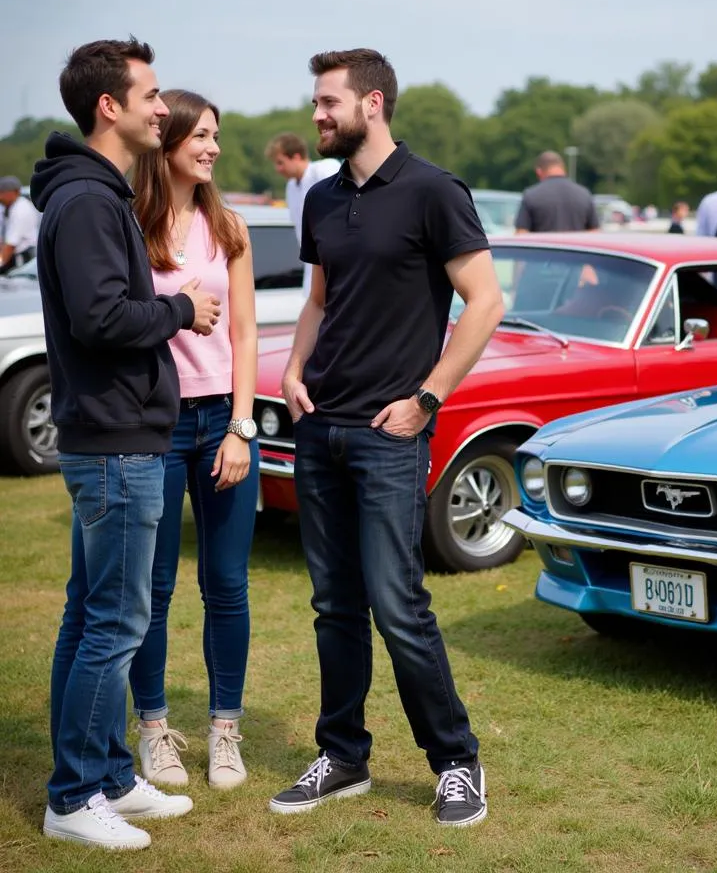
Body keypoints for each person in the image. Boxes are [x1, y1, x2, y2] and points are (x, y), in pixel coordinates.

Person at [270, 48, 504, 827]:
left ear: (372, 103)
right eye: (316, 102)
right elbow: (319, 299)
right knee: (334, 605)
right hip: (320, 428)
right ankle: (343, 756)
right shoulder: (323, 199)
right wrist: (294, 369)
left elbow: (484, 302)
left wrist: (427, 399)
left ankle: (456, 761)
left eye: (328, 101)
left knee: (398, 605)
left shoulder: (435, 191)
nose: (317, 114)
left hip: (388, 433)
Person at [31, 38, 220, 850]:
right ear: (109, 106)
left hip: (118, 436)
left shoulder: (96, 195)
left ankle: (108, 775)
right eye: (147, 94)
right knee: (116, 620)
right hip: (115, 443)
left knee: (95, 613)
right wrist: (183, 310)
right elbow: (101, 319)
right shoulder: (86, 202)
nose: (159, 107)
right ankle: (74, 797)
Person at [129, 90, 259, 792]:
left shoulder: (227, 224)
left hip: (222, 422)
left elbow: (244, 333)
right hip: (154, 423)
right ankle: (154, 731)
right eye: (200, 136)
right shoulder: (129, 222)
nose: (211, 147)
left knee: (228, 585)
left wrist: (241, 426)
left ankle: (225, 732)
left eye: (216, 136)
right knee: (152, 588)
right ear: (168, 141)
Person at [265, 133, 341, 295]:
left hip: (336, 261)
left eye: (281, 163)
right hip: (312, 263)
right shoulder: (291, 187)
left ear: (296, 157)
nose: (278, 169)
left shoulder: (322, 169)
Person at [514, 150, 599, 233]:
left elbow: (521, 233)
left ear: (539, 172)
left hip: (545, 246)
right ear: (563, 169)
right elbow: (594, 233)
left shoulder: (531, 195)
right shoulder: (584, 194)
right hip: (575, 246)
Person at [0, 174, 39, 272]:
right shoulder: (10, 207)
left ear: (15, 192)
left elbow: (10, 245)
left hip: (23, 260)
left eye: (2, 192)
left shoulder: (20, 209)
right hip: (16, 257)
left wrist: (0, 263)